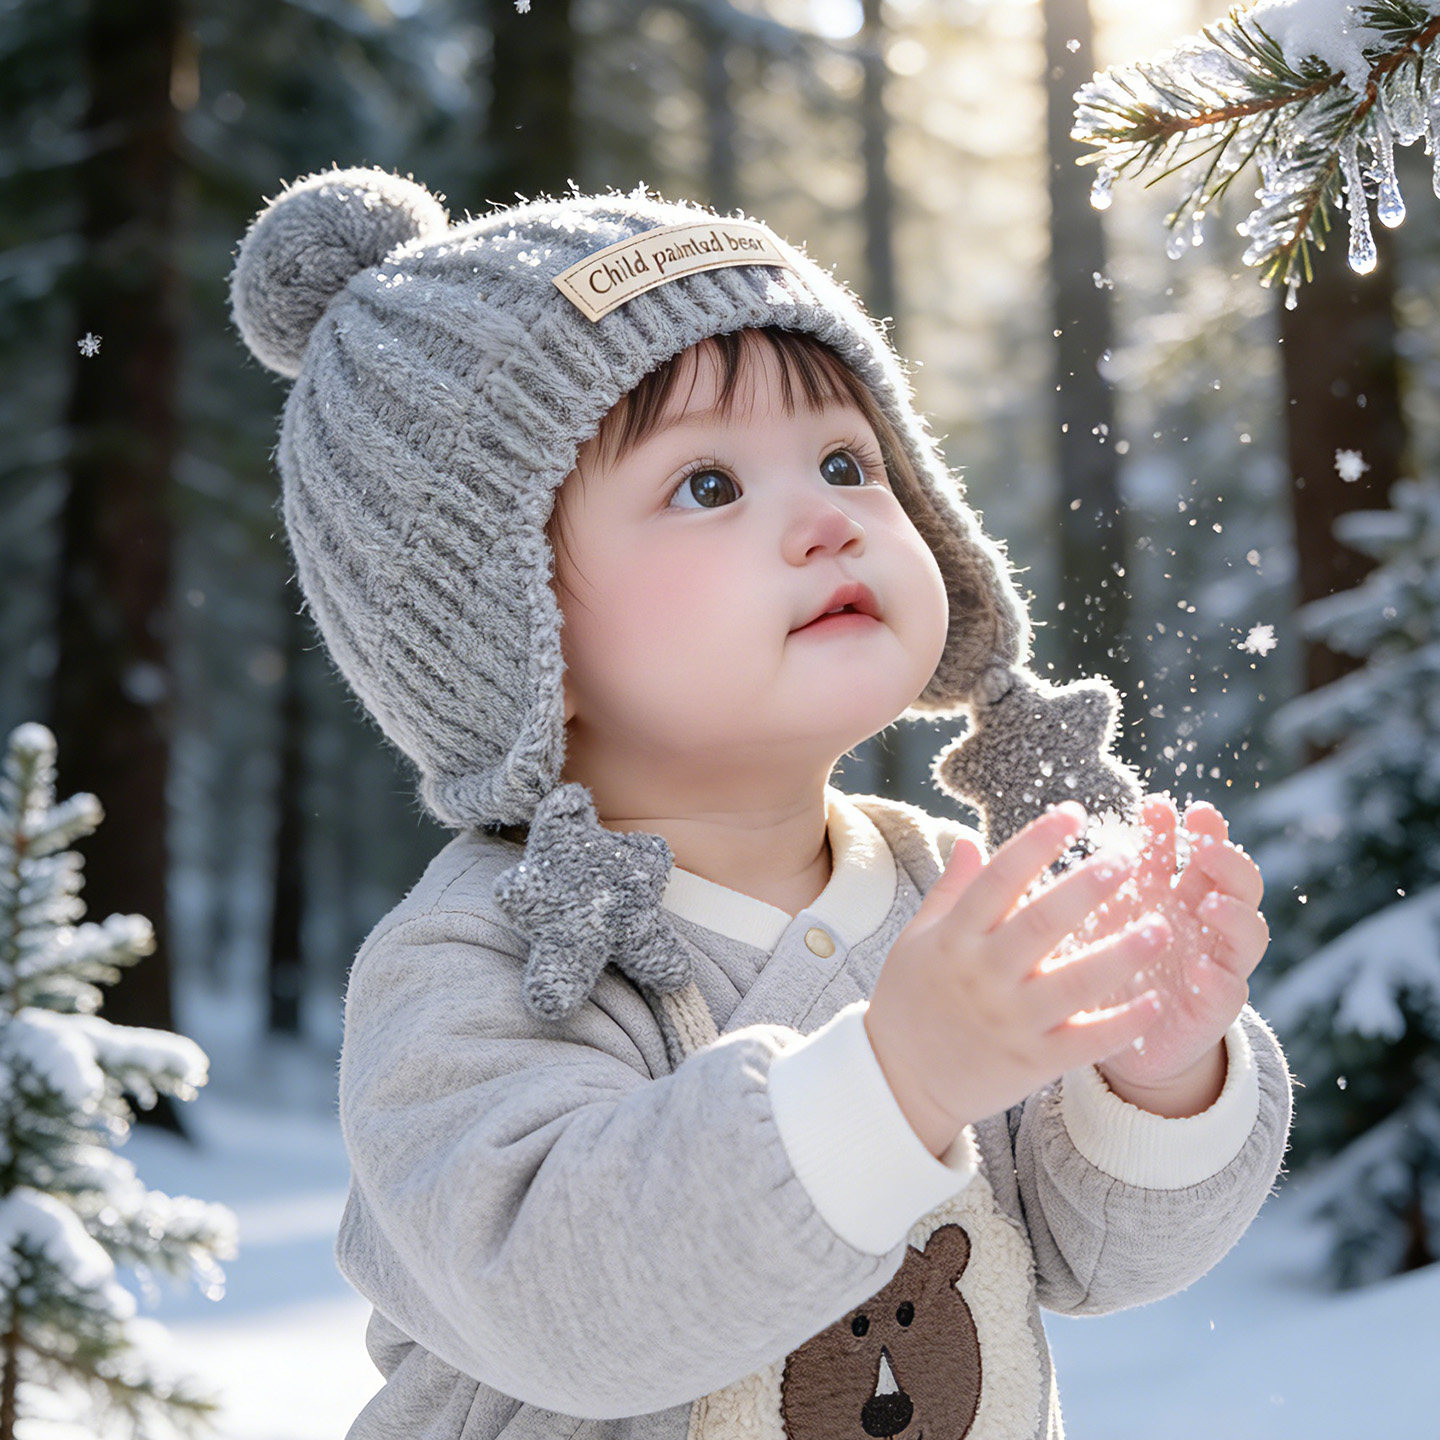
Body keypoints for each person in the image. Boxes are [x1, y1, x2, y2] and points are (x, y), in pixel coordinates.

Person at [229, 167, 1292, 1440]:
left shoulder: (942, 890)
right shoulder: (485, 963)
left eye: (849, 459)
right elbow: (566, 1302)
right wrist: (895, 1081)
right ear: (508, 634)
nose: (826, 520)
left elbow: (1087, 1257)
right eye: (709, 486)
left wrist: (1156, 1074)